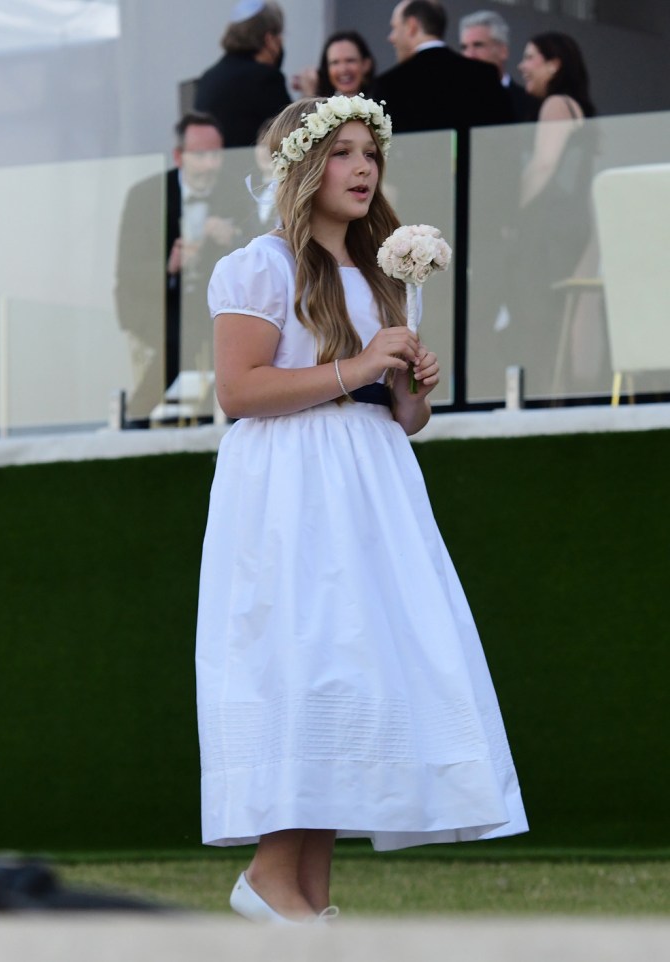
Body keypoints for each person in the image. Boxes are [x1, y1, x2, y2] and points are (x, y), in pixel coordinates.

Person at [195, 94, 528, 924]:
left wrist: (411, 388)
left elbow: (400, 421)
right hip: (289, 492)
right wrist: (357, 364)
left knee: (360, 671)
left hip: (371, 489)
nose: (363, 166)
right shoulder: (258, 267)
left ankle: (308, 895)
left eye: (369, 151)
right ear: (304, 166)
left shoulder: (388, 279)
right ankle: (272, 878)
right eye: (342, 151)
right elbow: (240, 392)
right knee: (306, 661)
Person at [115, 111, 240, 419]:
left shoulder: (235, 191)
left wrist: (234, 240)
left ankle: (217, 420)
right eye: (200, 155)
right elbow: (127, 270)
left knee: (226, 336)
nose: (210, 164)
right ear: (179, 156)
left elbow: (259, 250)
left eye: (216, 155)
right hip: (154, 301)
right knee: (179, 336)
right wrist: (169, 266)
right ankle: (137, 420)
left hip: (212, 305)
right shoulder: (146, 194)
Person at [510, 32, 600, 393]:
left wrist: (510, 214)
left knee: (539, 312)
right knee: (563, 313)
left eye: (530, 57)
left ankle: (547, 394)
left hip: (550, 225)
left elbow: (544, 166)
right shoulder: (577, 107)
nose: (522, 66)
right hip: (572, 225)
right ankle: (559, 392)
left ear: (554, 63)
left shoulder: (556, 105)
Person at [370, 0, 512, 135]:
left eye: (394, 28)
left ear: (411, 26)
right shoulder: (484, 74)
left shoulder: (390, 85)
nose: (391, 37)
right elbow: (504, 136)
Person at [193, 0, 290, 148]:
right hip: (250, 168)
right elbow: (291, 133)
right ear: (270, 40)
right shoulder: (265, 77)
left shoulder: (208, 76)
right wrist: (311, 94)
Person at [459, 10, 538, 122]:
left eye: (478, 45)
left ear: (503, 51)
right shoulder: (453, 100)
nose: (470, 54)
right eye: (464, 47)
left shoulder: (528, 103)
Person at [291, 30, 376, 99]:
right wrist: (309, 95)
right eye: (335, 62)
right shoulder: (321, 109)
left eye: (350, 60)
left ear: (366, 64)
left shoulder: (381, 106)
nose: (343, 69)